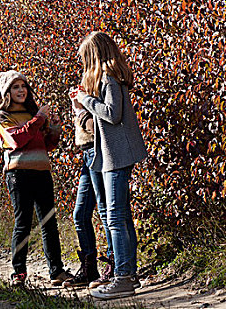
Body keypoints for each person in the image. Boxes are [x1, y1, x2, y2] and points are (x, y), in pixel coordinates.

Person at [73, 31, 147, 299]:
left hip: (117, 156)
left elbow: (112, 115)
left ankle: (123, 277)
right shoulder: (110, 77)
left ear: (94, 54)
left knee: (115, 217)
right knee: (122, 216)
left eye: (84, 58)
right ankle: (128, 273)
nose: (83, 64)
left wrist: (86, 101)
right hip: (113, 154)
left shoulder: (109, 78)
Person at [0, 70, 73, 287]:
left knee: (49, 223)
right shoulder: (3, 117)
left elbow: (48, 144)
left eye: (23, 86)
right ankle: (18, 272)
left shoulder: (33, 115)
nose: (21, 90)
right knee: (23, 223)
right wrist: (39, 119)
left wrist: (54, 126)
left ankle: (56, 271)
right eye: (15, 87)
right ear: (7, 92)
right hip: (18, 175)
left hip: (42, 172)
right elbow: (17, 140)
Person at [62, 87, 114, 288]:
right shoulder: (88, 82)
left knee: (106, 211)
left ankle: (113, 266)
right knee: (80, 214)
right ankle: (89, 269)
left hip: (97, 151)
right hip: (87, 153)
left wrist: (79, 111)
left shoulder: (101, 83)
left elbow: (97, 126)